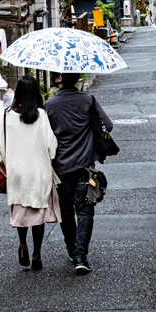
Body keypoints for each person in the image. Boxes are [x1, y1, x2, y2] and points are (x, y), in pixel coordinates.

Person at [44, 74, 113, 274]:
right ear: (77, 79)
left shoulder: (50, 105)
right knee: (85, 210)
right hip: (85, 166)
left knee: (65, 209)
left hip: (60, 167)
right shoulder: (88, 100)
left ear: (60, 80)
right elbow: (108, 125)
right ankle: (81, 256)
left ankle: (73, 251)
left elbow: (44, 135)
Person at [0, 75, 59, 272]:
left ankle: (22, 244)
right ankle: (37, 252)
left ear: (18, 93)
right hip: (39, 173)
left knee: (21, 212)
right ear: (36, 93)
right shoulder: (41, 115)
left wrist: (2, 161)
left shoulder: (5, 115)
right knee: (37, 213)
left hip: (17, 173)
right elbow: (51, 147)